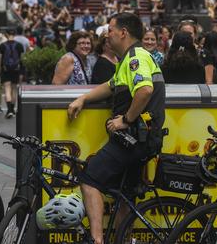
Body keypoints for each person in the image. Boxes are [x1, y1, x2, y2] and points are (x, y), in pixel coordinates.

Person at [67, 13, 165, 244]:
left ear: (123, 32)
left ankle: (97, 240)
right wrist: (83, 98)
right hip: (142, 140)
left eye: (110, 29)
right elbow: (110, 87)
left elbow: (145, 90)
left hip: (133, 138)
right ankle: (124, 239)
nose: (106, 34)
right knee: (124, 195)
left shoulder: (136, 57)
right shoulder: (128, 61)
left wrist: (126, 120)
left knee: (89, 178)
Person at [0, 28, 24, 119]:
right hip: (16, 70)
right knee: (14, 90)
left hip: (5, 70)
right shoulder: (19, 45)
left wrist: (0, 69)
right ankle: (12, 109)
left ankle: (9, 110)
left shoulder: (2, 45)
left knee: (7, 89)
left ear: (6, 34)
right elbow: (22, 59)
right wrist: (22, 72)